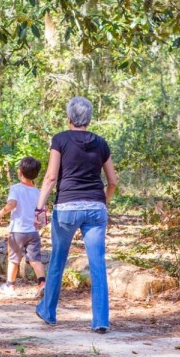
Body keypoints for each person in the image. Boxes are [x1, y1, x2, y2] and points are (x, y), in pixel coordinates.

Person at [35, 97, 118, 332]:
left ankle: (48, 311)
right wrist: (103, 201)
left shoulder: (60, 140)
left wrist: (40, 206)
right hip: (95, 209)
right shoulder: (101, 143)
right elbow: (112, 182)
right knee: (97, 264)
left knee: (58, 261)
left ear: (69, 118)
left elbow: (51, 177)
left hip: (67, 208)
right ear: (88, 119)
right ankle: (101, 320)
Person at [0, 157, 47, 298]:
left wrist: (0, 213)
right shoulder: (38, 192)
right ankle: (42, 284)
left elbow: (12, 204)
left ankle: (10, 285)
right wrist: (40, 225)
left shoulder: (16, 188)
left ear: (20, 172)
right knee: (35, 260)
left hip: (17, 231)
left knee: (13, 259)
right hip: (33, 232)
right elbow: (41, 214)